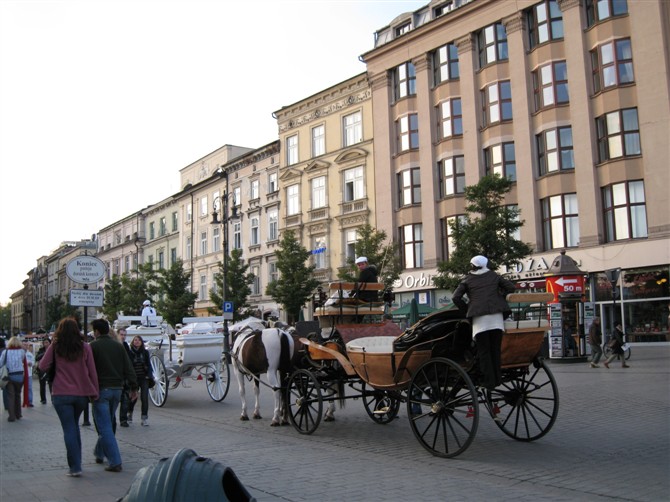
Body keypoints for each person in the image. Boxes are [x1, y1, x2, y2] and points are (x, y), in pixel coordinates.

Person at [38, 317, 99, 477]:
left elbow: (42, 366)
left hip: (61, 394)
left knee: (69, 429)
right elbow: (92, 371)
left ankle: (75, 467)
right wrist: (95, 392)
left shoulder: (56, 346)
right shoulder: (85, 347)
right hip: (81, 395)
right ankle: (77, 463)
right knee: (74, 427)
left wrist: (52, 348)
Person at [452, 255, 516, 391]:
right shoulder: (494, 276)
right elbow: (511, 287)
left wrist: (467, 310)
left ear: (472, 265)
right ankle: (497, 378)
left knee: (484, 351)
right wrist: (499, 298)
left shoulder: (468, 279)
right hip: (497, 318)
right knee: (495, 350)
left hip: (480, 320)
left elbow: (456, 297)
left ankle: (489, 381)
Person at [89, 319, 137, 473]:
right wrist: (133, 387)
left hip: (101, 390)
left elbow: (88, 369)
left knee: (104, 427)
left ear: (96, 332)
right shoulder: (118, 346)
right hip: (117, 390)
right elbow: (128, 367)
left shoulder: (93, 347)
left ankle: (115, 461)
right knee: (107, 422)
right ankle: (99, 452)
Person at [126, 335, 153, 427]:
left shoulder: (145, 352)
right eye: (135, 340)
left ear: (141, 342)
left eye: (139, 340)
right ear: (133, 342)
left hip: (143, 378)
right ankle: (130, 414)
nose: (137, 342)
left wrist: (149, 375)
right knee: (133, 397)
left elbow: (149, 365)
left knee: (144, 398)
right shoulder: (129, 353)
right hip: (134, 378)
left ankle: (144, 418)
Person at [0, 336, 28, 422]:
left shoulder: (6, 351)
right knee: (18, 395)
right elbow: (23, 360)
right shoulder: (22, 351)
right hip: (19, 376)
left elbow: (0, 363)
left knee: (10, 396)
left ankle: (11, 416)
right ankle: (18, 414)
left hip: (9, 376)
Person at [117, 328, 133, 427]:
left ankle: (123, 419)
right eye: (121, 334)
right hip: (116, 376)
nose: (123, 336)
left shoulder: (126, 346)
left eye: (124, 335)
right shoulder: (114, 345)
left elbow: (129, 360)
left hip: (125, 376)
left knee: (125, 399)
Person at [35, 338, 52, 404]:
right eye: (44, 342)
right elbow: (37, 358)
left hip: (50, 369)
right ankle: (43, 399)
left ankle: (53, 398)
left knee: (51, 384)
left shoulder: (53, 350)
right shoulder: (41, 350)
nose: (46, 344)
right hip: (42, 369)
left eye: (47, 342)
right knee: (42, 384)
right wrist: (45, 353)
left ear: (50, 343)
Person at [22, 342, 35, 407]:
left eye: (27, 345)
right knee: (19, 388)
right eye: (24, 344)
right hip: (21, 373)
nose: (26, 346)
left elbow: (33, 362)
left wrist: (31, 363)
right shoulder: (19, 353)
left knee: (29, 387)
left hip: (28, 373)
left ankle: (30, 401)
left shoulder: (30, 354)